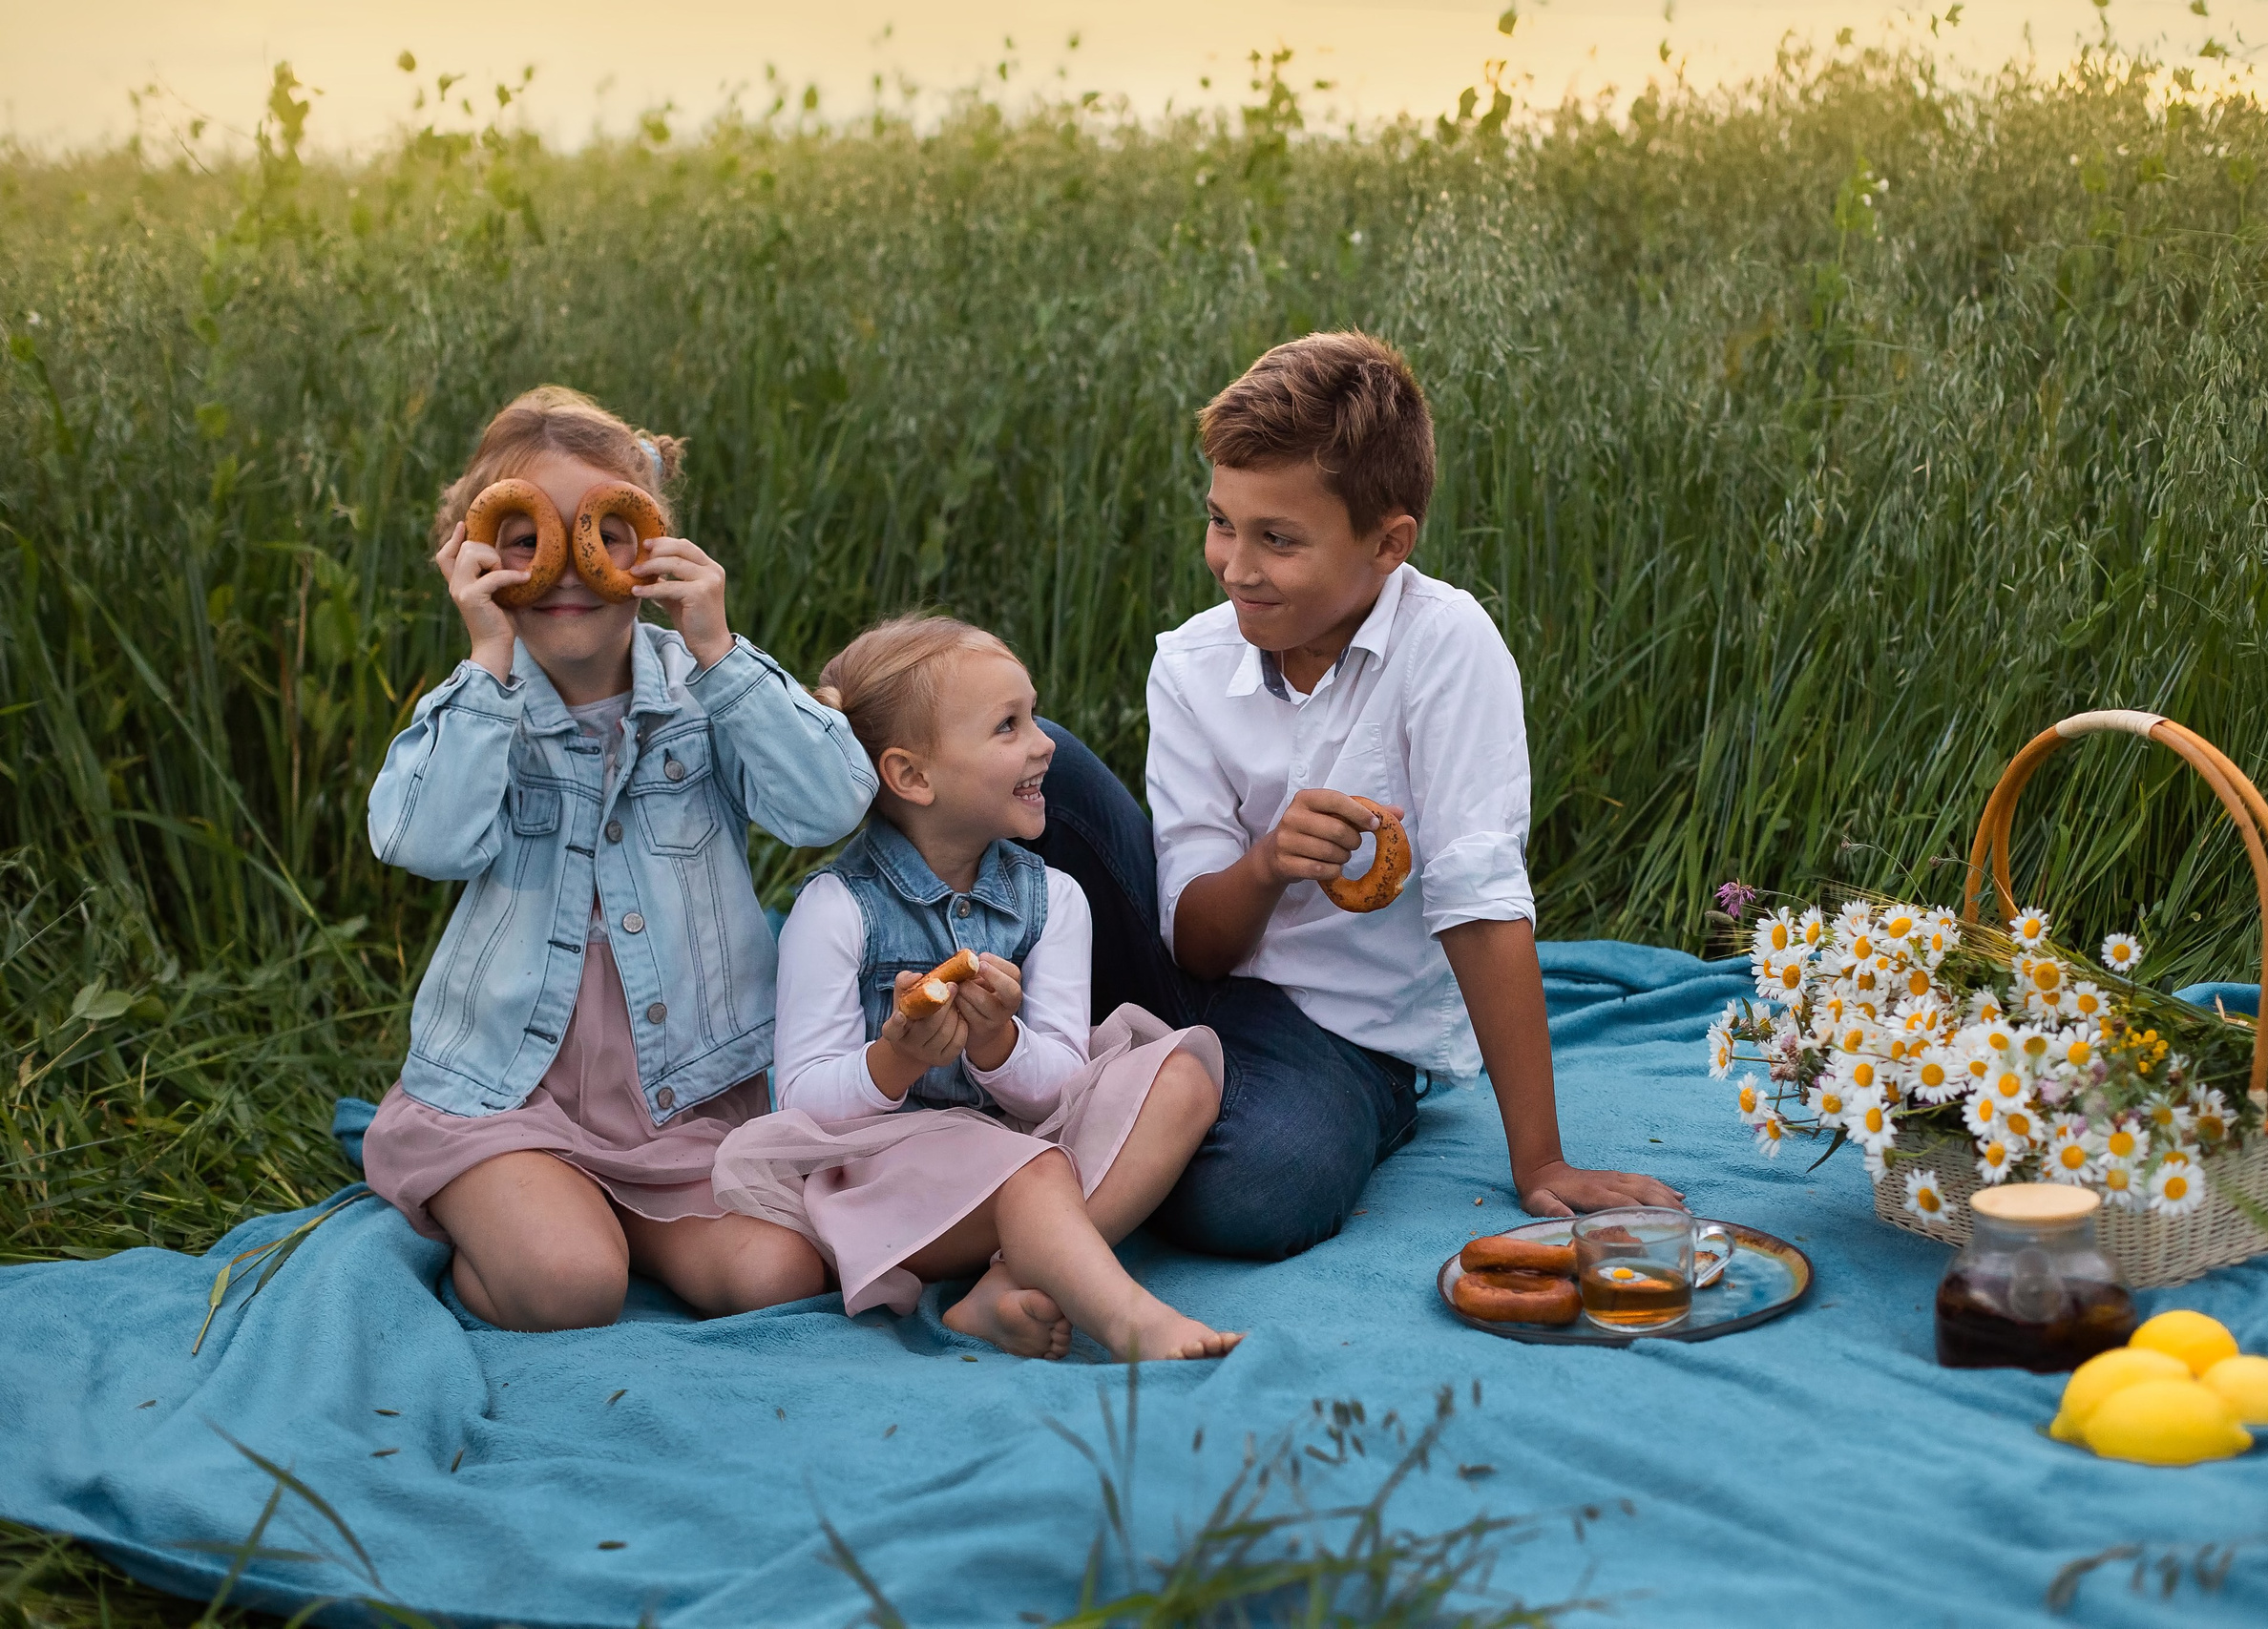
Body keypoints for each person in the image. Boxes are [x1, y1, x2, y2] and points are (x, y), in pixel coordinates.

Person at [1024, 331, 1687, 1261]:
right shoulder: (1190, 664)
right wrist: (1263, 868)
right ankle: (1064, 1070)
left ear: (1388, 544)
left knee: (1253, 1194)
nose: (1235, 566)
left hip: (1337, 1036)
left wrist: (1540, 1161)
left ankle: (1115, 1104)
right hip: (1189, 978)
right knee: (1025, 757)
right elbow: (1193, 942)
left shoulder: (1446, 649)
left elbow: (1479, 901)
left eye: (1278, 539)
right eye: (1222, 521)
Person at [361, 386, 875, 1331]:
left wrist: (717, 649)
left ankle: (607, 1215)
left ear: (650, 548)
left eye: (602, 532)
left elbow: (829, 804)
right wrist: (486, 654)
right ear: (478, 557)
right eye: (526, 538)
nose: (566, 566)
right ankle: (539, 1223)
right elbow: (421, 845)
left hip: (677, 1103)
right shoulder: (481, 707)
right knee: (570, 1287)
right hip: (505, 1092)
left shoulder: (704, 689)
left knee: (777, 1274)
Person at [710, 616, 1241, 1362]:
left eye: (1032, 713)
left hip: (1025, 1146)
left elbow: (1060, 1080)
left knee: (1183, 1077)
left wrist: (999, 1043)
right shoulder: (835, 910)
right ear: (912, 776)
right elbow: (798, 1098)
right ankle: (1129, 1319)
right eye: (1007, 726)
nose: (1046, 741)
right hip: (892, 1180)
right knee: (1033, 1171)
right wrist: (893, 1061)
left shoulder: (1054, 898)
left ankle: (1007, 1282)